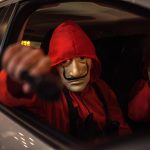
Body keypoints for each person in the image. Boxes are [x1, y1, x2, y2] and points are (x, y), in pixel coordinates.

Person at [0, 21, 131, 141]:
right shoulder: (51, 94)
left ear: (93, 61)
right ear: (55, 67)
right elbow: (12, 94)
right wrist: (17, 79)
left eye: (82, 59)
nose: (75, 71)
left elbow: (122, 127)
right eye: (65, 62)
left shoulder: (102, 88)